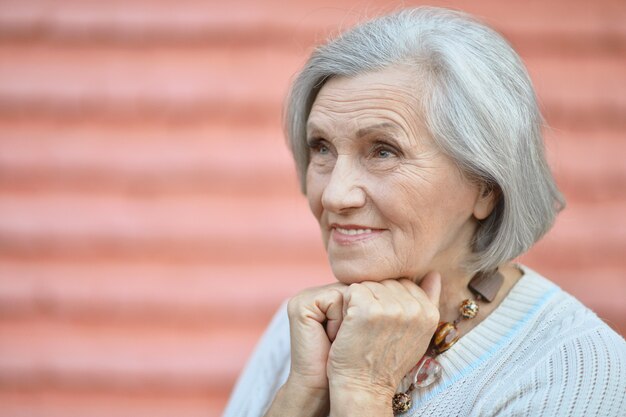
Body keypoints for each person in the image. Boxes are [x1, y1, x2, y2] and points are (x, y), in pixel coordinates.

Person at [223, 7, 626, 417]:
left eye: (383, 150)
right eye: (322, 148)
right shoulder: (307, 324)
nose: (334, 196)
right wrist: (303, 393)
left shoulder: (577, 370)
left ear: (486, 186)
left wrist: (363, 390)